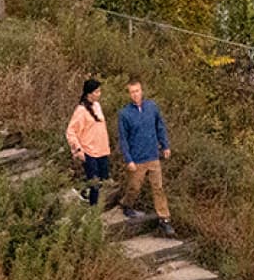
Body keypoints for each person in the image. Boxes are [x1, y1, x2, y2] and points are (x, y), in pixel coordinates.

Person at [115, 76, 174, 236]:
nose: (135, 94)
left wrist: (165, 146)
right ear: (129, 94)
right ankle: (127, 204)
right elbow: (123, 139)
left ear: (142, 91)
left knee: (158, 188)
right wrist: (128, 159)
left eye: (137, 91)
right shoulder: (125, 114)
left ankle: (165, 219)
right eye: (132, 92)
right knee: (134, 187)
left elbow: (160, 127)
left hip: (153, 155)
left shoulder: (152, 107)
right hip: (137, 158)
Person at [66, 78, 111, 205]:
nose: (99, 94)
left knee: (103, 177)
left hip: (101, 149)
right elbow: (71, 131)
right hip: (89, 150)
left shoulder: (97, 106)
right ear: (89, 93)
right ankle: (93, 209)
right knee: (95, 182)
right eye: (96, 92)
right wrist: (77, 149)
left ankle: (83, 190)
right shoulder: (81, 111)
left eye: (99, 91)